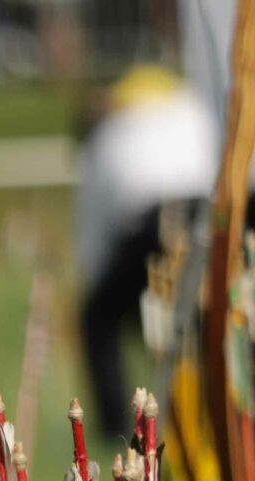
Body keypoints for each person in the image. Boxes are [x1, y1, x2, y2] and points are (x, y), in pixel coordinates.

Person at [73, 67, 219, 427]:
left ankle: (116, 425)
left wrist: (99, 295)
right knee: (207, 320)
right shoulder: (187, 104)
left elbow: (93, 246)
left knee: (98, 318)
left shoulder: (105, 134)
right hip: (207, 215)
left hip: (150, 227)